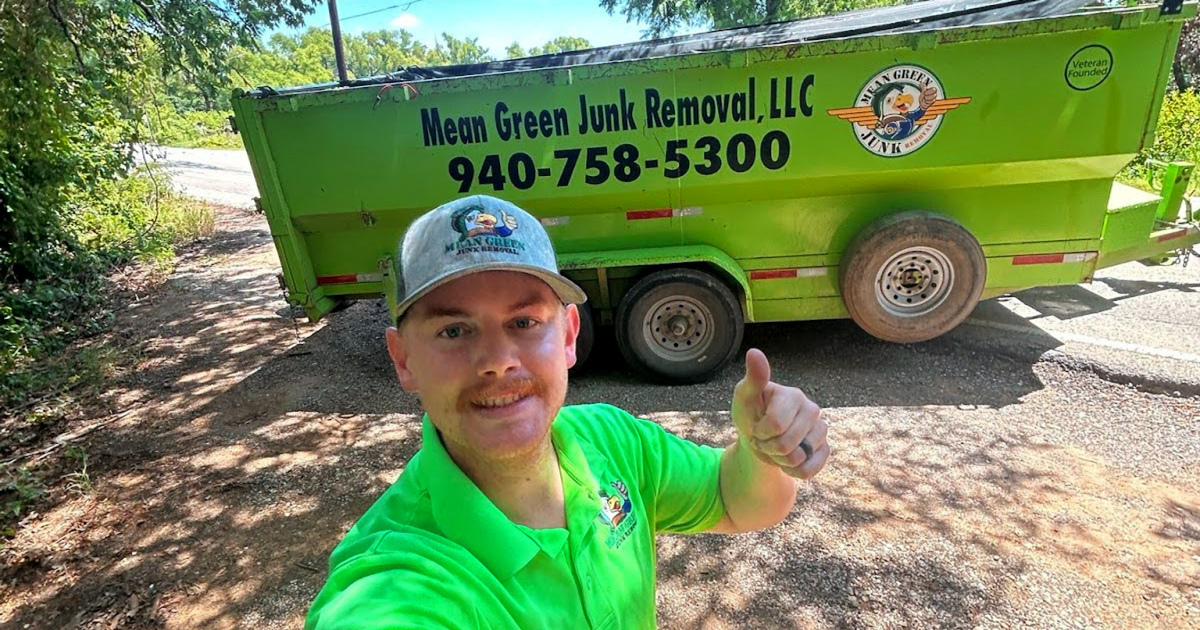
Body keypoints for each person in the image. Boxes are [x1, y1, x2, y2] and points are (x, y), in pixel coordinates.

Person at [305, 195, 830, 630]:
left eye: (525, 322)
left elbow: (734, 501)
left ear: (570, 336)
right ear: (404, 361)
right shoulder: (401, 580)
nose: (498, 361)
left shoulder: (612, 439)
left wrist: (761, 450)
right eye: (454, 330)